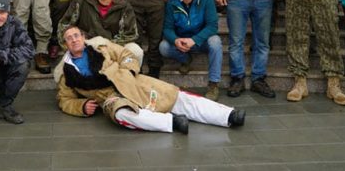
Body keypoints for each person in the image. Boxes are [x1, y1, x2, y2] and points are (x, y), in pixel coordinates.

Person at [56, 26, 245, 133]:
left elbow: (126, 55)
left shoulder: (102, 48)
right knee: (122, 115)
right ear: (65, 45)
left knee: (175, 96)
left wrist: (128, 71)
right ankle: (172, 122)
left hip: (132, 82)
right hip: (110, 97)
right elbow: (65, 100)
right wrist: (81, 106)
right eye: (69, 38)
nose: (74, 40)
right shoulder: (67, 73)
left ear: (83, 37)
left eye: (76, 35)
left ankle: (227, 115)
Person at [159, 0, 223, 101]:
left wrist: (195, 40)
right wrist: (176, 40)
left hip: (201, 41)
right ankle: (185, 59)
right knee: (163, 47)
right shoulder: (171, 3)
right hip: (181, 43)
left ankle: (214, 84)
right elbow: (167, 28)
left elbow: (212, 26)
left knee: (216, 41)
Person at [58, 0, 140, 54]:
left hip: (114, 47)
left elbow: (130, 34)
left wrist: (107, 46)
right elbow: (64, 25)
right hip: (87, 46)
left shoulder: (124, 5)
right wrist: (71, 45)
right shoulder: (81, 1)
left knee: (136, 50)